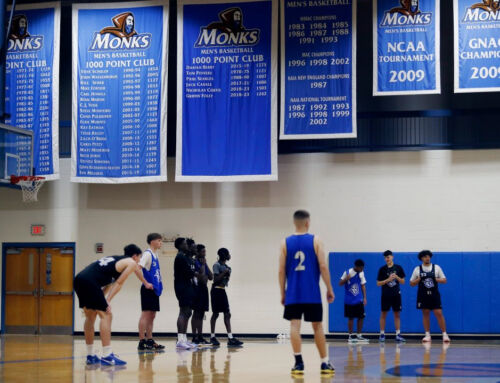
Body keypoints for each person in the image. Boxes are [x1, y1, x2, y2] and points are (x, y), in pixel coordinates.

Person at [278, 210, 335, 376]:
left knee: (294, 326)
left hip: (293, 293)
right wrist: (329, 289)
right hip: (312, 292)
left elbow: (281, 271)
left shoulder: (285, 243)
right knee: (317, 326)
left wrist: (283, 292)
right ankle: (324, 363)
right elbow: (323, 266)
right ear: (308, 222)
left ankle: (298, 364)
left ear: (294, 222)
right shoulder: (316, 240)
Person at [74, 244, 144, 365]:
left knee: (90, 316)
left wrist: (103, 300)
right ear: (135, 256)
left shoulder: (115, 261)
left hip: (79, 279)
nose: (139, 261)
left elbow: (108, 285)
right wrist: (107, 302)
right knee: (107, 315)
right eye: (139, 258)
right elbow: (119, 283)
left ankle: (90, 355)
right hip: (90, 282)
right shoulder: (131, 262)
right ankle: (107, 355)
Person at [410, 250, 450, 343]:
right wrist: (419, 279)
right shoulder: (417, 269)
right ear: (421, 258)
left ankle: (444, 334)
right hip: (423, 294)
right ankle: (427, 335)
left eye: (428, 256)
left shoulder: (436, 267)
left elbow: (444, 280)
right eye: (425, 256)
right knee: (426, 313)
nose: (427, 258)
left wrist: (435, 279)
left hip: (434, 294)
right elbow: (411, 283)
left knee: (438, 313)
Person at [210, 248, 243, 347]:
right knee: (215, 314)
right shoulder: (216, 265)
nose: (229, 255)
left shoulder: (227, 266)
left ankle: (230, 338)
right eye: (228, 254)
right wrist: (224, 273)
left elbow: (225, 280)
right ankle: (212, 337)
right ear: (224, 255)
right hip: (216, 290)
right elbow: (215, 279)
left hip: (222, 290)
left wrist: (227, 273)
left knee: (227, 314)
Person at [137, 233, 165, 351]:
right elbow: (137, 268)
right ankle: (141, 341)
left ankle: (150, 340)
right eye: (159, 240)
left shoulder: (155, 254)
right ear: (152, 241)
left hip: (154, 289)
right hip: (147, 289)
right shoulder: (147, 254)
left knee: (152, 315)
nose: (161, 243)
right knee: (145, 314)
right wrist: (145, 283)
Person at [376, 250, 406, 342]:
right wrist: (387, 280)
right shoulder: (382, 269)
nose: (386, 259)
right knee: (383, 314)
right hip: (385, 295)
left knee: (397, 314)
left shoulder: (398, 268)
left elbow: (403, 282)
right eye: (385, 257)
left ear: (392, 257)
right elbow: (378, 283)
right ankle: (382, 334)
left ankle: (398, 334)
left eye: (388, 257)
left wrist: (396, 277)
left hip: (396, 294)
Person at [174, 237, 197, 349]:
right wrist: (194, 273)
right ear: (179, 246)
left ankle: (184, 339)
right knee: (183, 312)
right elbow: (188, 273)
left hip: (187, 286)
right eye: (184, 244)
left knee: (188, 312)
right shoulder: (180, 257)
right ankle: (180, 340)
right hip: (182, 286)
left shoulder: (184, 257)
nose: (186, 245)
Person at [339, 259, 368, 344]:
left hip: (358, 299)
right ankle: (350, 336)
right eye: (361, 267)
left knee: (361, 317)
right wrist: (345, 279)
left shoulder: (361, 273)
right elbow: (340, 283)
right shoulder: (347, 272)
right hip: (349, 300)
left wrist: (365, 297)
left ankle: (359, 335)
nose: (362, 269)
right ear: (357, 267)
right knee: (350, 318)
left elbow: (363, 286)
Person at [192, 244, 213, 344]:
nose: (205, 253)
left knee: (202, 313)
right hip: (197, 289)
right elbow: (202, 277)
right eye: (203, 251)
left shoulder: (203, 262)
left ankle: (200, 336)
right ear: (198, 252)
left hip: (204, 289)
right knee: (196, 313)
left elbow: (211, 277)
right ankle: (194, 337)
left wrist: (205, 264)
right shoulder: (195, 262)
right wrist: (203, 265)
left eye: (205, 251)